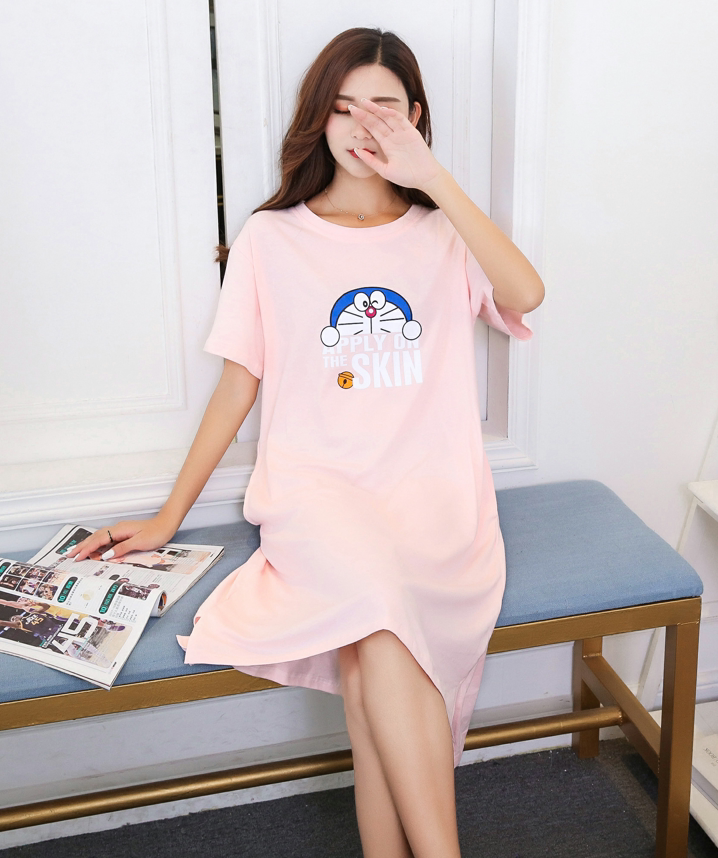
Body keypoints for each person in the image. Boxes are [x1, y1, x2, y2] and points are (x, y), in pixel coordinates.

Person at [69, 27, 544, 858]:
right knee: (383, 622)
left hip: (434, 495)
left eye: (383, 108)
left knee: (368, 672)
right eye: (343, 107)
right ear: (319, 118)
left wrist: (433, 177)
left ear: (415, 118)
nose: (362, 125)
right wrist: (167, 517)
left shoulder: (444, 232)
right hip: (319, 492)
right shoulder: (272, 238)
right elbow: (238, 386)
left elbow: (527, 291)